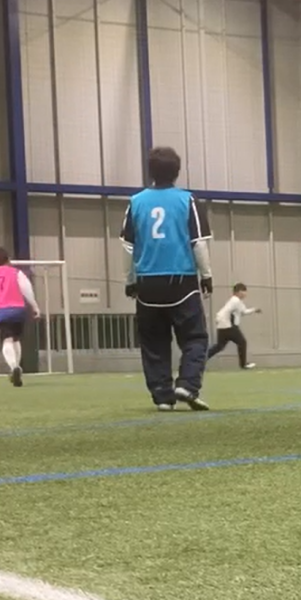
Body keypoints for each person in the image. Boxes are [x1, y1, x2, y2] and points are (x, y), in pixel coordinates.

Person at [120, 147, 213, 411]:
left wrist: (130, 279)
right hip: (181, 281)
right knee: (195, 338)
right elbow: (198, 243)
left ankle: (162, 396)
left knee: (153, 342)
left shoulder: (135, 202)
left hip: (147, 282)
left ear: (150, 171)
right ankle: (188, 384)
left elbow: (127, 246)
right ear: (177, 171)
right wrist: (206, 275)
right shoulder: (188, 200)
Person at [0, 248, 41, 386]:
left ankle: (14, 367)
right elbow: (27, 290)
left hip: (0, 310)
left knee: (7, 339)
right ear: (8, 259)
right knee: (16, 338)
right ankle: (17, 368)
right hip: (17, 309)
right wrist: (35, 307)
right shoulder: (16, 273)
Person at [206, 283, 260, 370]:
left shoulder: (235, 301)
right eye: (244, 291)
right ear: (238, 292)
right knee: (242, 342)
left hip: (223, 326)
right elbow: (228, 311)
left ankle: (200, 360)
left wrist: (254, 310)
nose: (245, 293)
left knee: (219, 346)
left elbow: (243, 312)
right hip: (228, 326)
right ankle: (243, 364)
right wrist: (223, 321)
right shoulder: (236, 300)